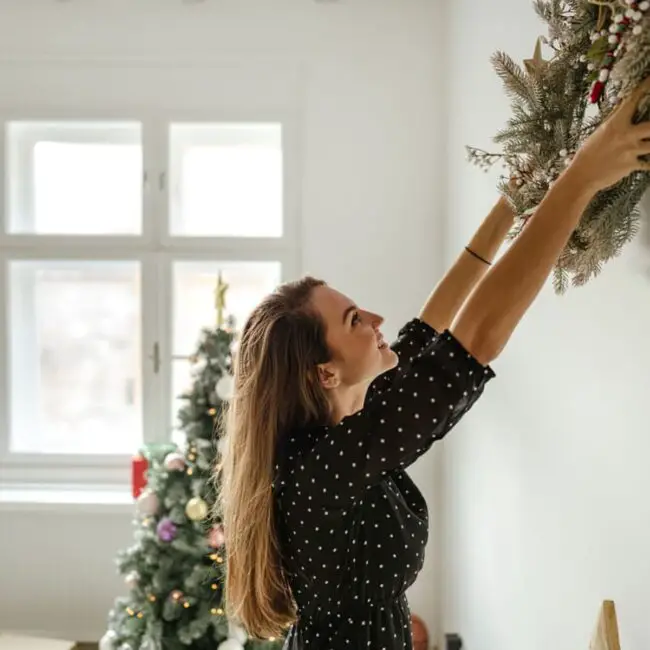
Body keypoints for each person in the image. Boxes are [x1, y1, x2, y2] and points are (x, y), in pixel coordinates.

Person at [216, 77, 650, 650]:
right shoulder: (321, 471)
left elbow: (432, 329)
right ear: (324, 374)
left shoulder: (337, 436)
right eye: (353, 321)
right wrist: (581, 179)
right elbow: (476, 340)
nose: (375, 318)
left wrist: (511, 204)